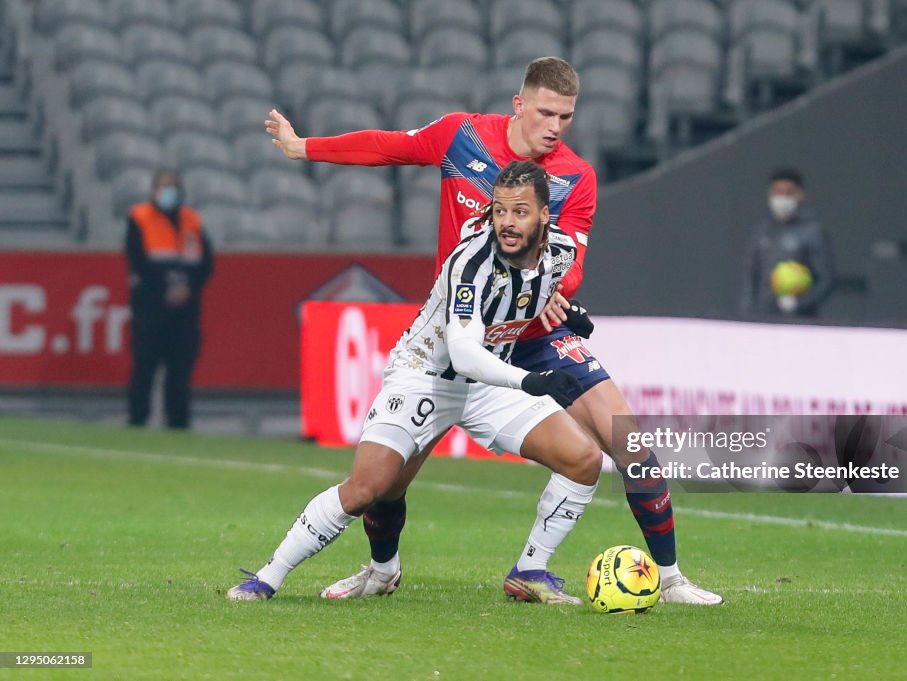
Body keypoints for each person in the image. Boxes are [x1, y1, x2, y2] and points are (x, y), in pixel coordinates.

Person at [265, 57, 721, 605]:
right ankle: (382, 568)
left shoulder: (575, 176)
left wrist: (555, 287)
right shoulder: (461, 137)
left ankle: (668, 580)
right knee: (385, 485)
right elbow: (387, 146)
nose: (555, 126)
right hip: (463, 337)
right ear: (519, 104)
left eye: (567, 116)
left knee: (629, 442)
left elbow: (571, 263)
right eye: (546, 112)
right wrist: (304, 146)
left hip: (535, 332)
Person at [229, 161, 602, 603]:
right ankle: (269, 577)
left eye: (520, 212)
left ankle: (530, 570)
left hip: (488, 386)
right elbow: (464, 353)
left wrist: (568, 311)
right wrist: (532, 382)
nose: (507, 222)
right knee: (368, 489)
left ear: (544, 216)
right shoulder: (472, 261)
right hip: (425, 375)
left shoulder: (559, 250)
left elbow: (533, 287)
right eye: (500, 211)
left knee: (584, 459)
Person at [125, 168, 213, 429]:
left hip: (186, 310)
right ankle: (138, 418)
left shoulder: (191, 220)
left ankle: (178, 421)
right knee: (145, 365)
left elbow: (206, 263)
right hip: (151, 306)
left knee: (181, 369)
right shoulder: (140, 218)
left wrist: (188, 288)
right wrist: (166, 289)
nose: (169, 193)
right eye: (164, 187)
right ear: (153, 191)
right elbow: (138, 261)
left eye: (173, 187)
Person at [741, 168, 834, 318]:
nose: (781, 199)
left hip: (800, 321)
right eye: (777, 193)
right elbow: (751, 277)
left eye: (788, 193)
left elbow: (825, 280)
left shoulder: (813, 233)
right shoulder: (762, 232)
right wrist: (748, 312)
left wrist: (799, 304)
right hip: (763, 318)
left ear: (799, 195)